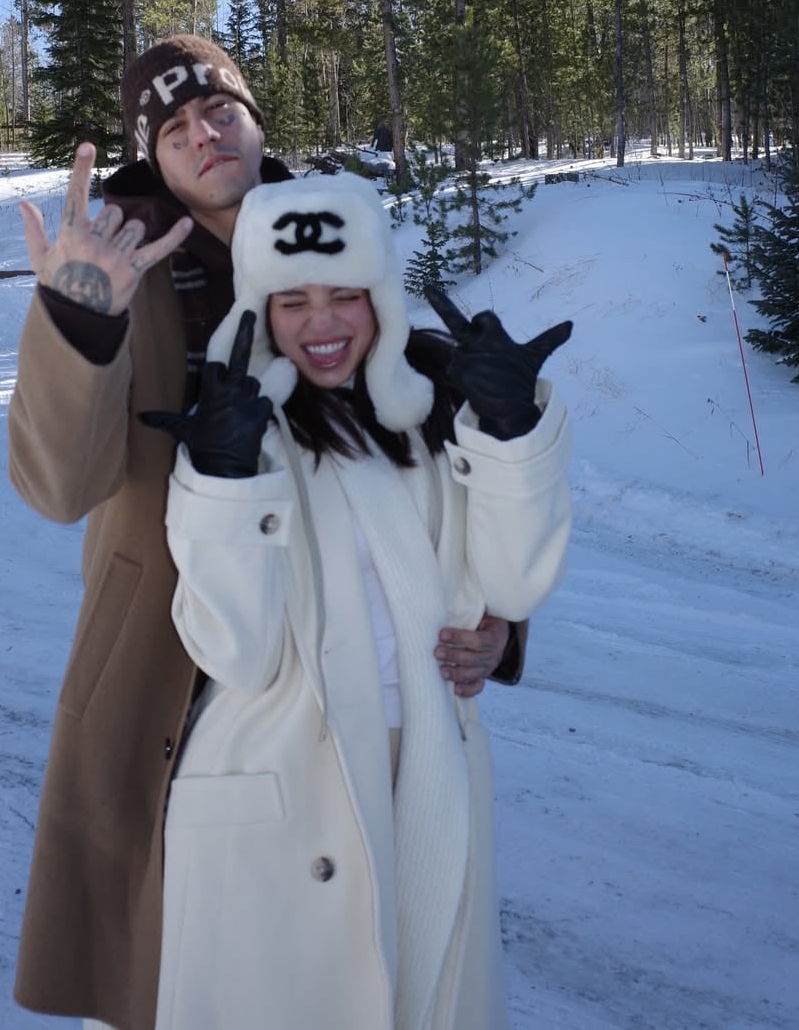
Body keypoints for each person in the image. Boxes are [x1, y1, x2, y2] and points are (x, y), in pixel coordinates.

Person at [8, 35, 526, 1029]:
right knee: (203, 970)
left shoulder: (330, 235)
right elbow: (57, 485)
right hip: (174, 662)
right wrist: (81, 317)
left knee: (382, 944)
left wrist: (492, 613)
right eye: (173, 128)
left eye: (220, 110)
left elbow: (417, 460)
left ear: (254, 120)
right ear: (152, 156)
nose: (203, 134)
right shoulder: (124, 264)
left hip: (351, 668)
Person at [140, 172, 573, 1030]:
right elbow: (238, 655)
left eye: (345, 295)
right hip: (279, 781)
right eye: (292, 301)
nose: (323, 324)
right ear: (259, 310)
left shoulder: (431, 413)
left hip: (428, 765)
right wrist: (224, 482)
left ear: (381, 297)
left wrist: (511, 433)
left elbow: (513, 582)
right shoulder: (237, 428)